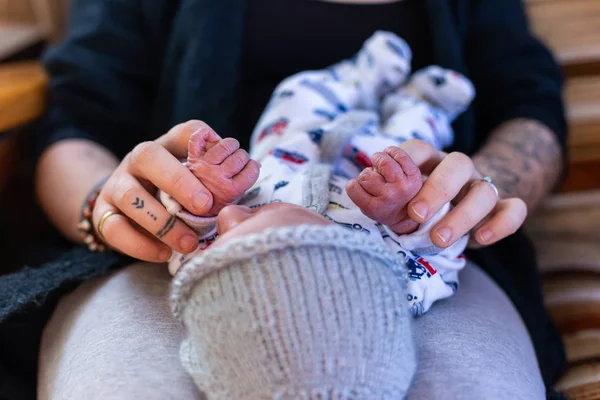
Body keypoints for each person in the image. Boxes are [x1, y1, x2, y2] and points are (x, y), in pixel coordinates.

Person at [0, 0, 567, 399]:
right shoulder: (206, 240)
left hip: (427, 237)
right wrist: (116, 204)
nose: (230, 212)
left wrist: (464, 195)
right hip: (144, 260)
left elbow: (528, 101)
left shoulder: (225, 221)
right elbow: (75, 119)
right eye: (228, 214)